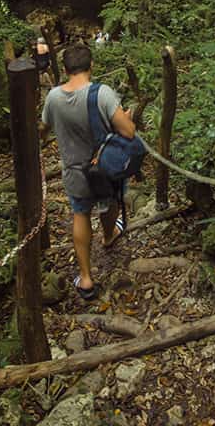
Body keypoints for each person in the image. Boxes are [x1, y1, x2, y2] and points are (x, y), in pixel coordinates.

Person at [40, 42, 134, 300]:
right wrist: (126, 117)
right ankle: (108, 235)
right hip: (104, 167)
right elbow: (128, 132)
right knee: (110, 202)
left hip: (74, 171)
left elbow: (43, 129)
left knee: (80, 214)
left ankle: (86, 278)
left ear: (67, 69)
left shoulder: (53, 97)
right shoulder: (102, 93)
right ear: (91, 66)